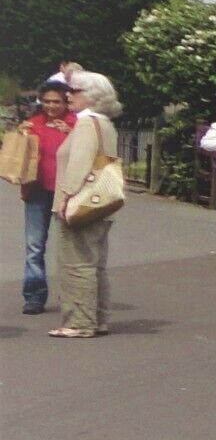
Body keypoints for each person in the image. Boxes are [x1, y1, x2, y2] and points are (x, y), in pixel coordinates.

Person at [50, 71, 122, 338]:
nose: (68, 94)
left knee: (75, 262)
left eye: (74, 90)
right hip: (102, 202)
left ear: (90, 95)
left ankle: (79, 322)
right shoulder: (105, 124)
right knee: (95, 264)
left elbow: (79, 164)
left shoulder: (85, 124)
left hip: (81, 203)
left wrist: (66, 198)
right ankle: (98, 318)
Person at [10, 81, 75, 313]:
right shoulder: (33, 123)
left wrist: (71, 133)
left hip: (67, 192)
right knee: (34, 246)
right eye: (46, 101)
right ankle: (34, 296)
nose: (50, 106)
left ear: (65, 101)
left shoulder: (74, 123)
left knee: (70, 246)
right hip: (37, 190)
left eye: (56, 101)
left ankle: (73, 295)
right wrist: (21, 134)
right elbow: (18, 152)